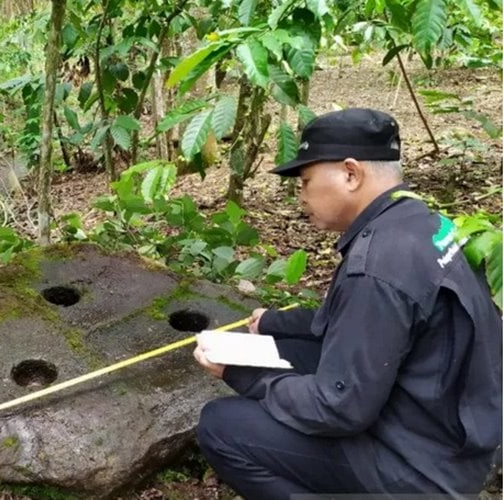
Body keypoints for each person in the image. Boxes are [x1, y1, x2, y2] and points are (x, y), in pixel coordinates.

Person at [193, 108, 502, 499]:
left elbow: (338, 408)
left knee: (221, 426)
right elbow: (355, 326)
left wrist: (241, 375)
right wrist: (274, 323)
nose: (301, 196)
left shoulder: (377, 266)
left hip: (426, 468)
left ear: (351, 174)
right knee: (285, 350)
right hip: (458, 433)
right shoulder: (418, 223)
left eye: (305, 182)